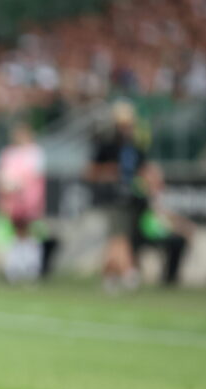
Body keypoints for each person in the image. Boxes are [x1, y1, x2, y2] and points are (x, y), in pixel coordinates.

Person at [85, 100, 147, 292]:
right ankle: (128, 272)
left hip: (130, 197)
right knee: (119, 235)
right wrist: (109, 171)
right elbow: (90, 171)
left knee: (117, 237)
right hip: (111, 196)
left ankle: (110, 275)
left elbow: (143, 170)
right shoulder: (107, 145)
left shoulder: (134, 146)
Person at [0, 123, 47, 282]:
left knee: (29, 232)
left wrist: (18, 185)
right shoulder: (8, 153)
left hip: (29, 199)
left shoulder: (35, 153)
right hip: (11, 200)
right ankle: (14, 268)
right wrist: (5, 185)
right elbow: (0, 175)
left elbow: (35, 176)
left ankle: (31, 268)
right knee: (14, 233)